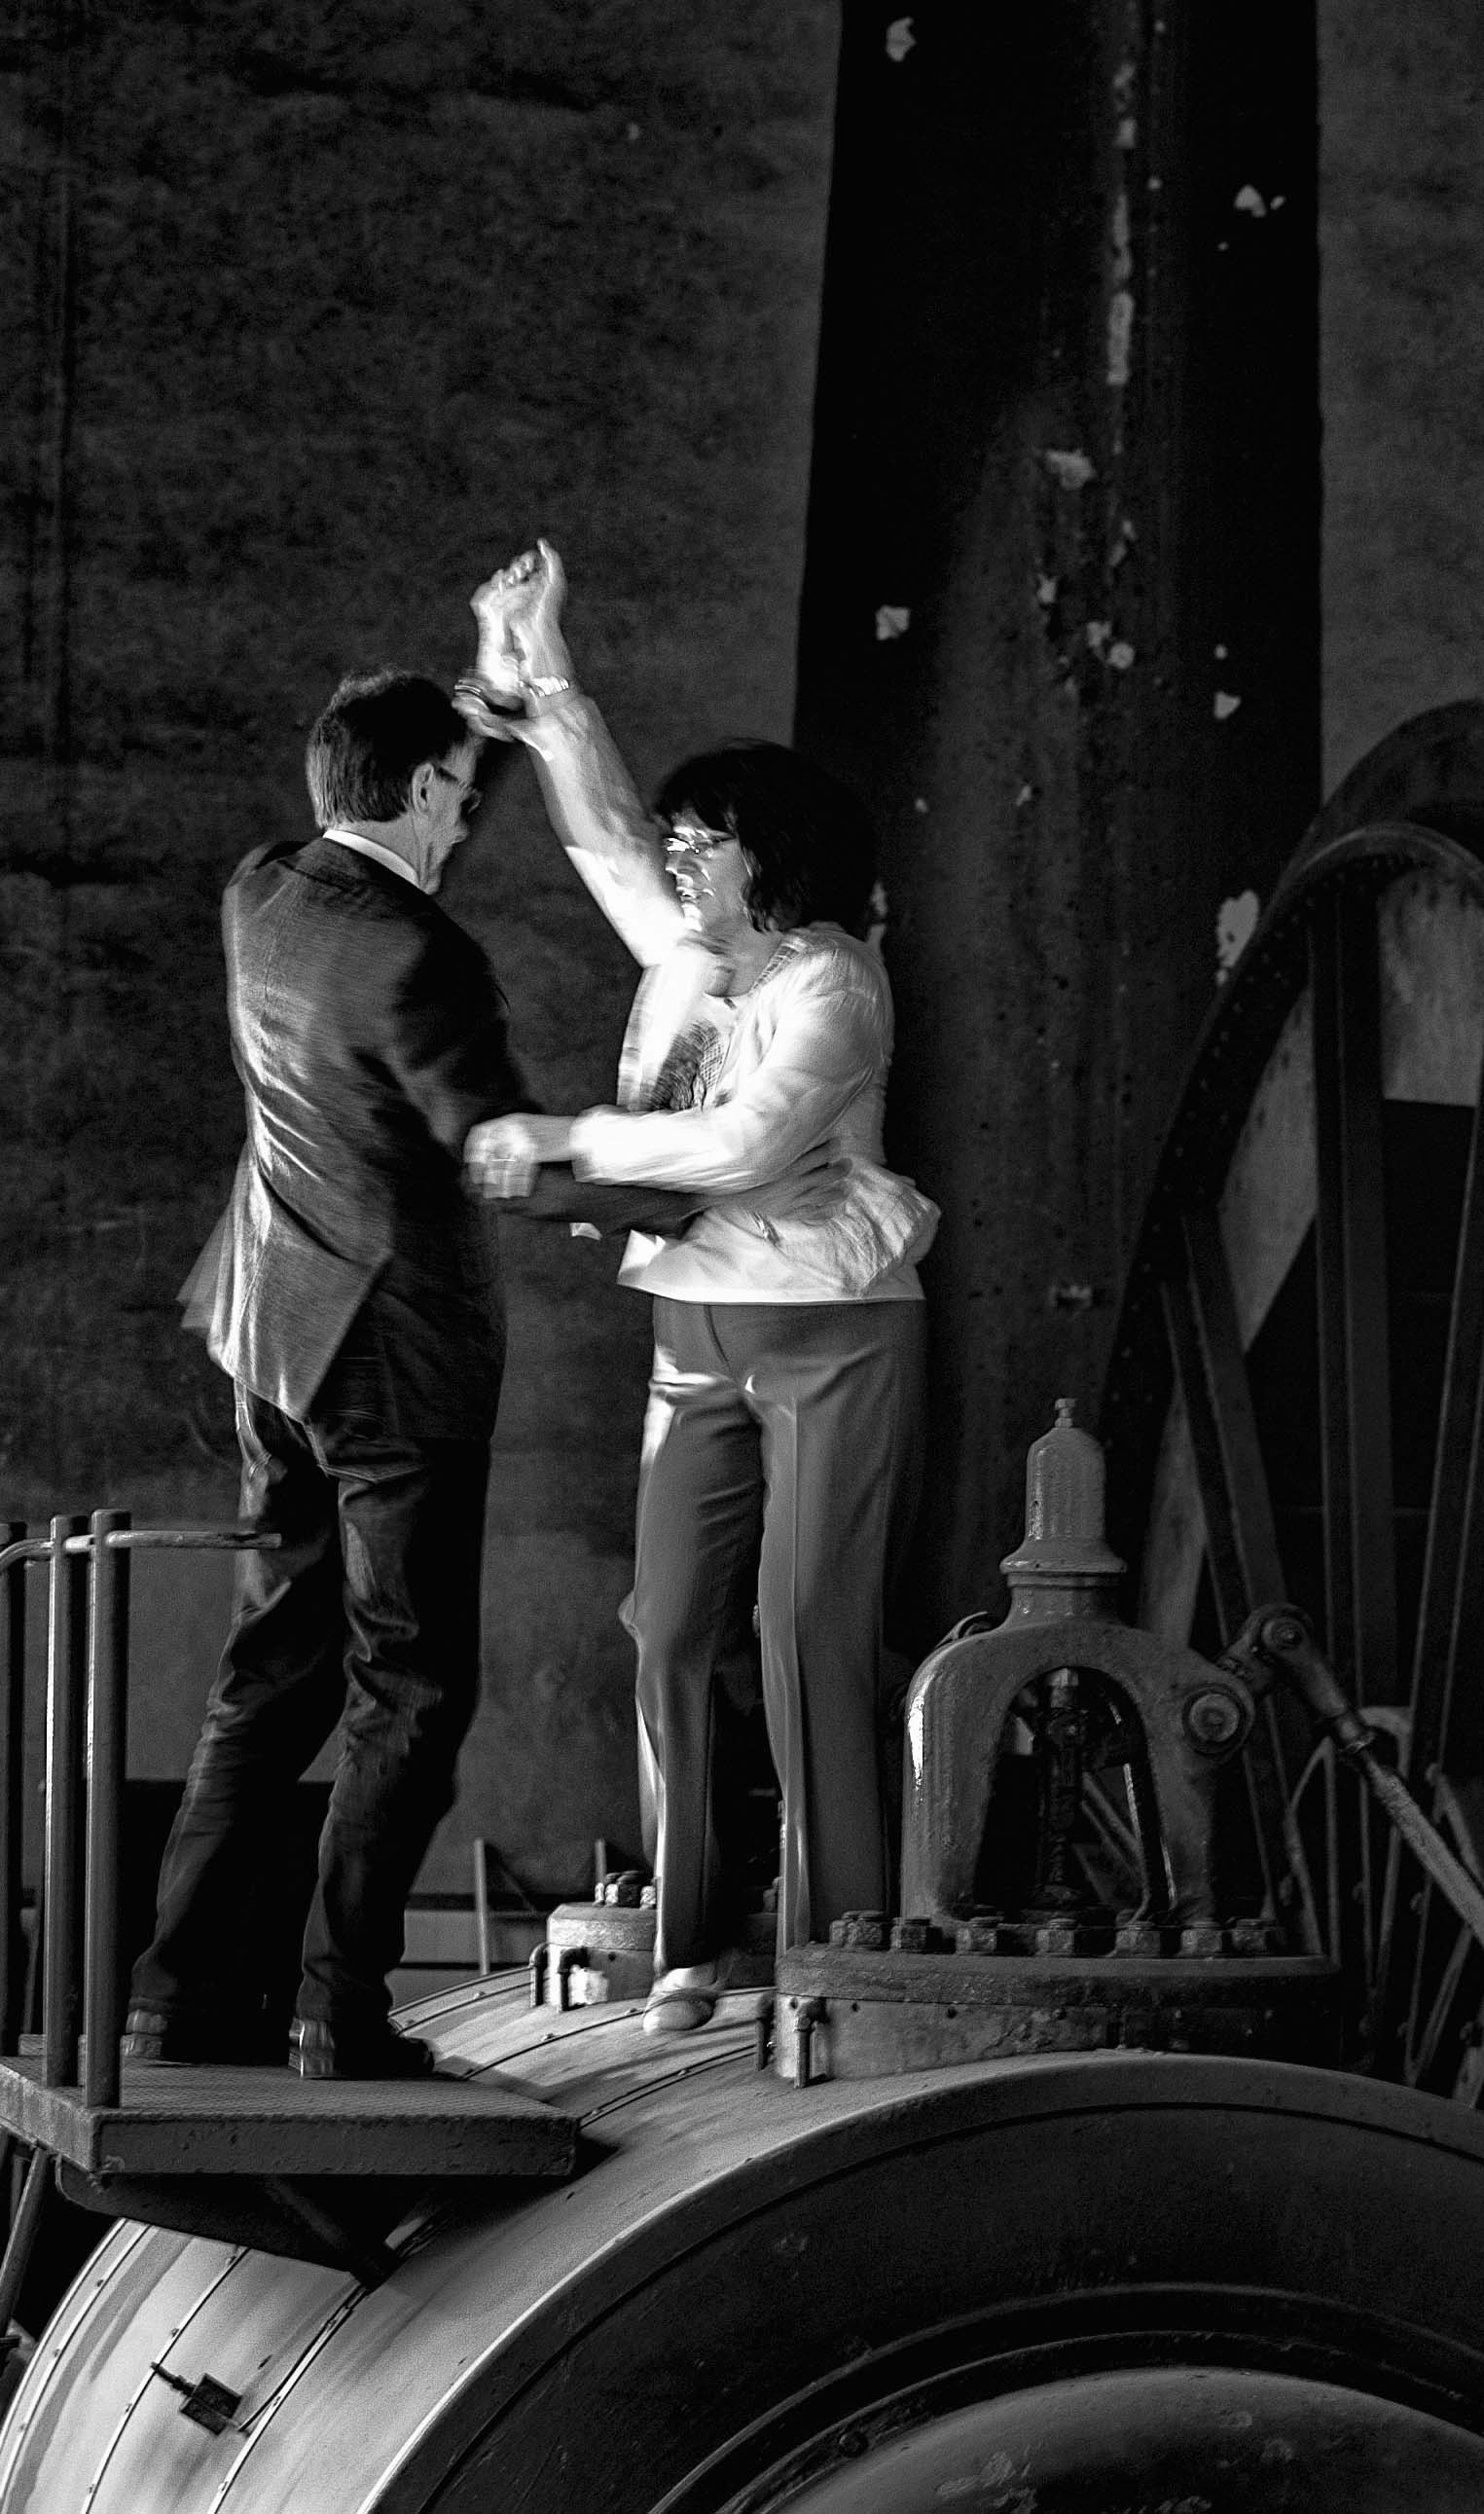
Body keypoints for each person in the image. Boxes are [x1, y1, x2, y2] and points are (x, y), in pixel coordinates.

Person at [459, 541, 936, 2038]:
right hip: (695, 1328)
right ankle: (688, 1932)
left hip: (834, 1334)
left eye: (705, 838)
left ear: (770, 851)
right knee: (666, 1624)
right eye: (679, 836)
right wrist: (546, 681)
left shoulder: (833, 982)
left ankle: (836, 1931)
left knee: (808, 1632)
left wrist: (566, 1138)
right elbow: (600, 838)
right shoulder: (684, 960)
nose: (674, 857)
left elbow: (743, 1145)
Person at [130, 669, 600, 2080]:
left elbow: (397, 795)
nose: (469, 820)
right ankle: (340, 2009)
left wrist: (486, 724)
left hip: (272, 1328)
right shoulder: (426, 958)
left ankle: (175, 1995)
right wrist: (656, 1187)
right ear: (420, 793)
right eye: (462, 794)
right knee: (409, 1684)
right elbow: (499, 1147)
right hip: (397, 1354)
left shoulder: (262, 889)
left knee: (270, 1667)